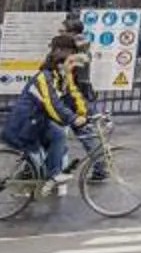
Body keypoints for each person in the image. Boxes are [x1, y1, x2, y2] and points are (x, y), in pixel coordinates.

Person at [25, 36, 92, 191]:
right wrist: (73, 118)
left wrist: (84, 113)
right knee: (58, 135)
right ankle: (52, 175)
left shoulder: (61, 73)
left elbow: (73, 95)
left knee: (57, 148)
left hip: (40, 117)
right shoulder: (46, 75)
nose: (73, 59)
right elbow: (52, 103)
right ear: (60, 52)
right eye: (71, 54)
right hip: (29, 117)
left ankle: (38, 178)